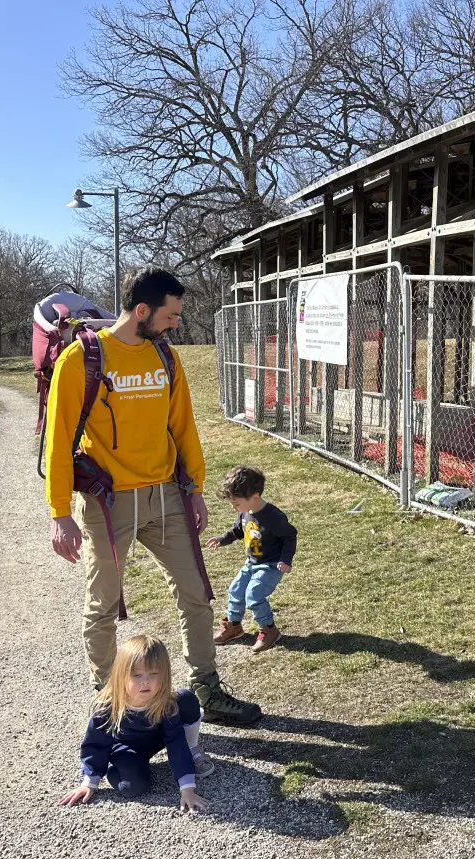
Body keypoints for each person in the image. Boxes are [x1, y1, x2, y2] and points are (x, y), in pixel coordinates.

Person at [45, 265, 262, 726]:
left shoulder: (166, 357)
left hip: (166, 497)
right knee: (102, 606)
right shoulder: (82, 358)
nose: (175, 324)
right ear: (142, 310)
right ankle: (112, 707)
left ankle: (208, 689)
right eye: (170, 315)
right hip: (109, 502)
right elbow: (59, 439)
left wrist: (197, 491)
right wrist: (60, 512)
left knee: (196, 595)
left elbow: (183, 426)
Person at [58, 634, 211, 810]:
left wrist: (187, 788)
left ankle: (193, 752)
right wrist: (90, 781)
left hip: (157, 738)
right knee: (131, 788)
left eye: (154, 674)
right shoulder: (108, 707)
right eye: (137, 675)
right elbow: (95, 744)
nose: (145, 681)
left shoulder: (165, 703)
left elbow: (176, 742)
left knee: (184, 698)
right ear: (121, 675)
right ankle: (120, 768)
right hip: (128, 747)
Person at [207, 466, 297, 654]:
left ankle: (269, 630)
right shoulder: (245, 512)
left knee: (254, 596)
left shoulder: (273, 517)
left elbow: (290, 535)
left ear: (254, 497)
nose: (234, 507)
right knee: (236, 591)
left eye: (236, 504)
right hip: (251, 563)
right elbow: (237, 530)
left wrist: (285, 559)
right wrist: (223, 539)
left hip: (271, 565)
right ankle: (234, 627)